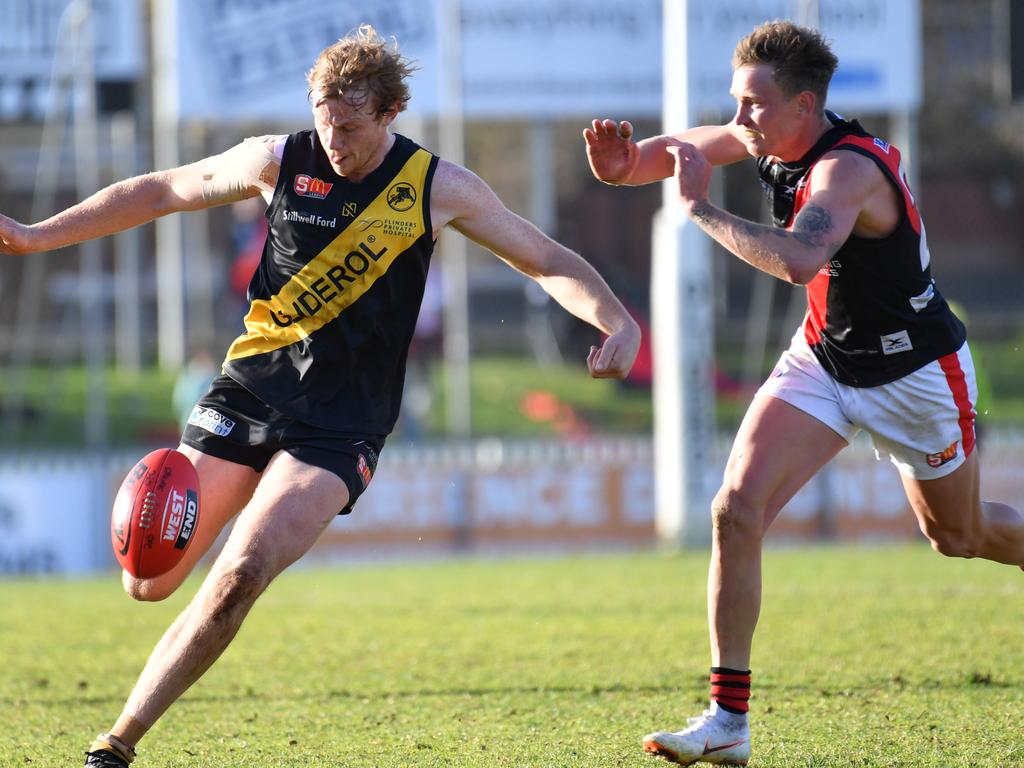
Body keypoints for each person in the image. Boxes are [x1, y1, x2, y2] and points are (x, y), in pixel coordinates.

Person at [0, 25, 640, 767]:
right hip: (248, 390)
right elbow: (160, 190)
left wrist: (615, 319)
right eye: (323, 120)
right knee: (148, 581)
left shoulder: (438, 188)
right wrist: (32, 235)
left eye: (350, 125)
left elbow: (545, 258)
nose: (333, 139)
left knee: (240, 574)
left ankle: (115, 744)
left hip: (343, 424)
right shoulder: (278, 159)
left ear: (391, 111)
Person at [584, 19, 1024, 766]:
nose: (740, 118)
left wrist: (698, 209)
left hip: (915, 376)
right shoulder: (765, 134)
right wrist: (622, 166)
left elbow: (796, 259)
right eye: (737, 102)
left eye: (754, 104)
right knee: (735, 508)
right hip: (824, 358)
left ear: (805, 105)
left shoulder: (845, 172)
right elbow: (677, 150)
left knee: (957, 538)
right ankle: (728, 722)